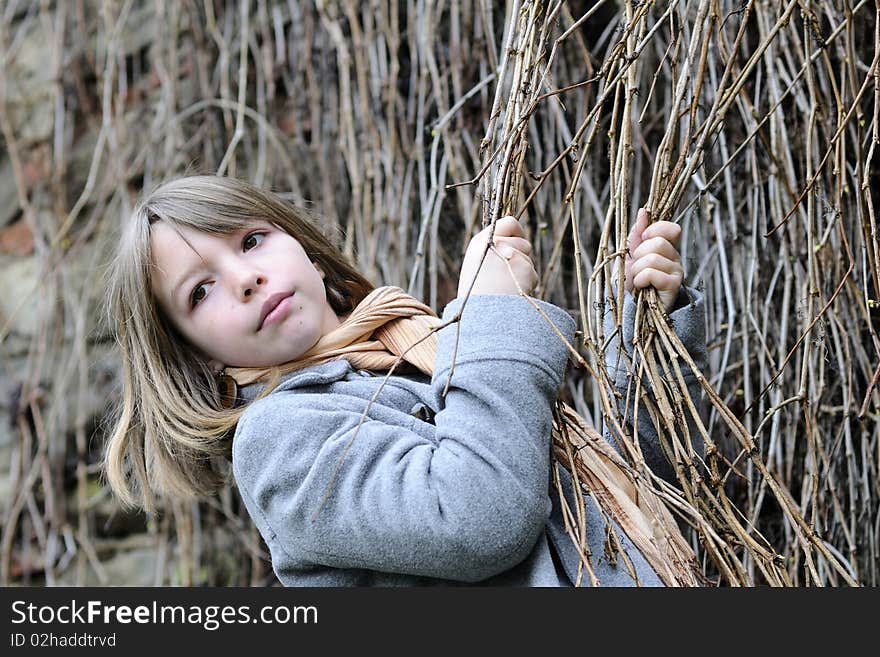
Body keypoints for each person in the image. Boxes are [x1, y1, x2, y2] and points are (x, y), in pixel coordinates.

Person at [104, 175, 707, 586]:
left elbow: (627, 502)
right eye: (200, 290)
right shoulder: (278, 442)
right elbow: (479, 519)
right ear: (198, 357)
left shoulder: (421, 352)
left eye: (251, 241)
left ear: (307, 253)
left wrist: (649, 333)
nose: (245, 278)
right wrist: (488, 315)